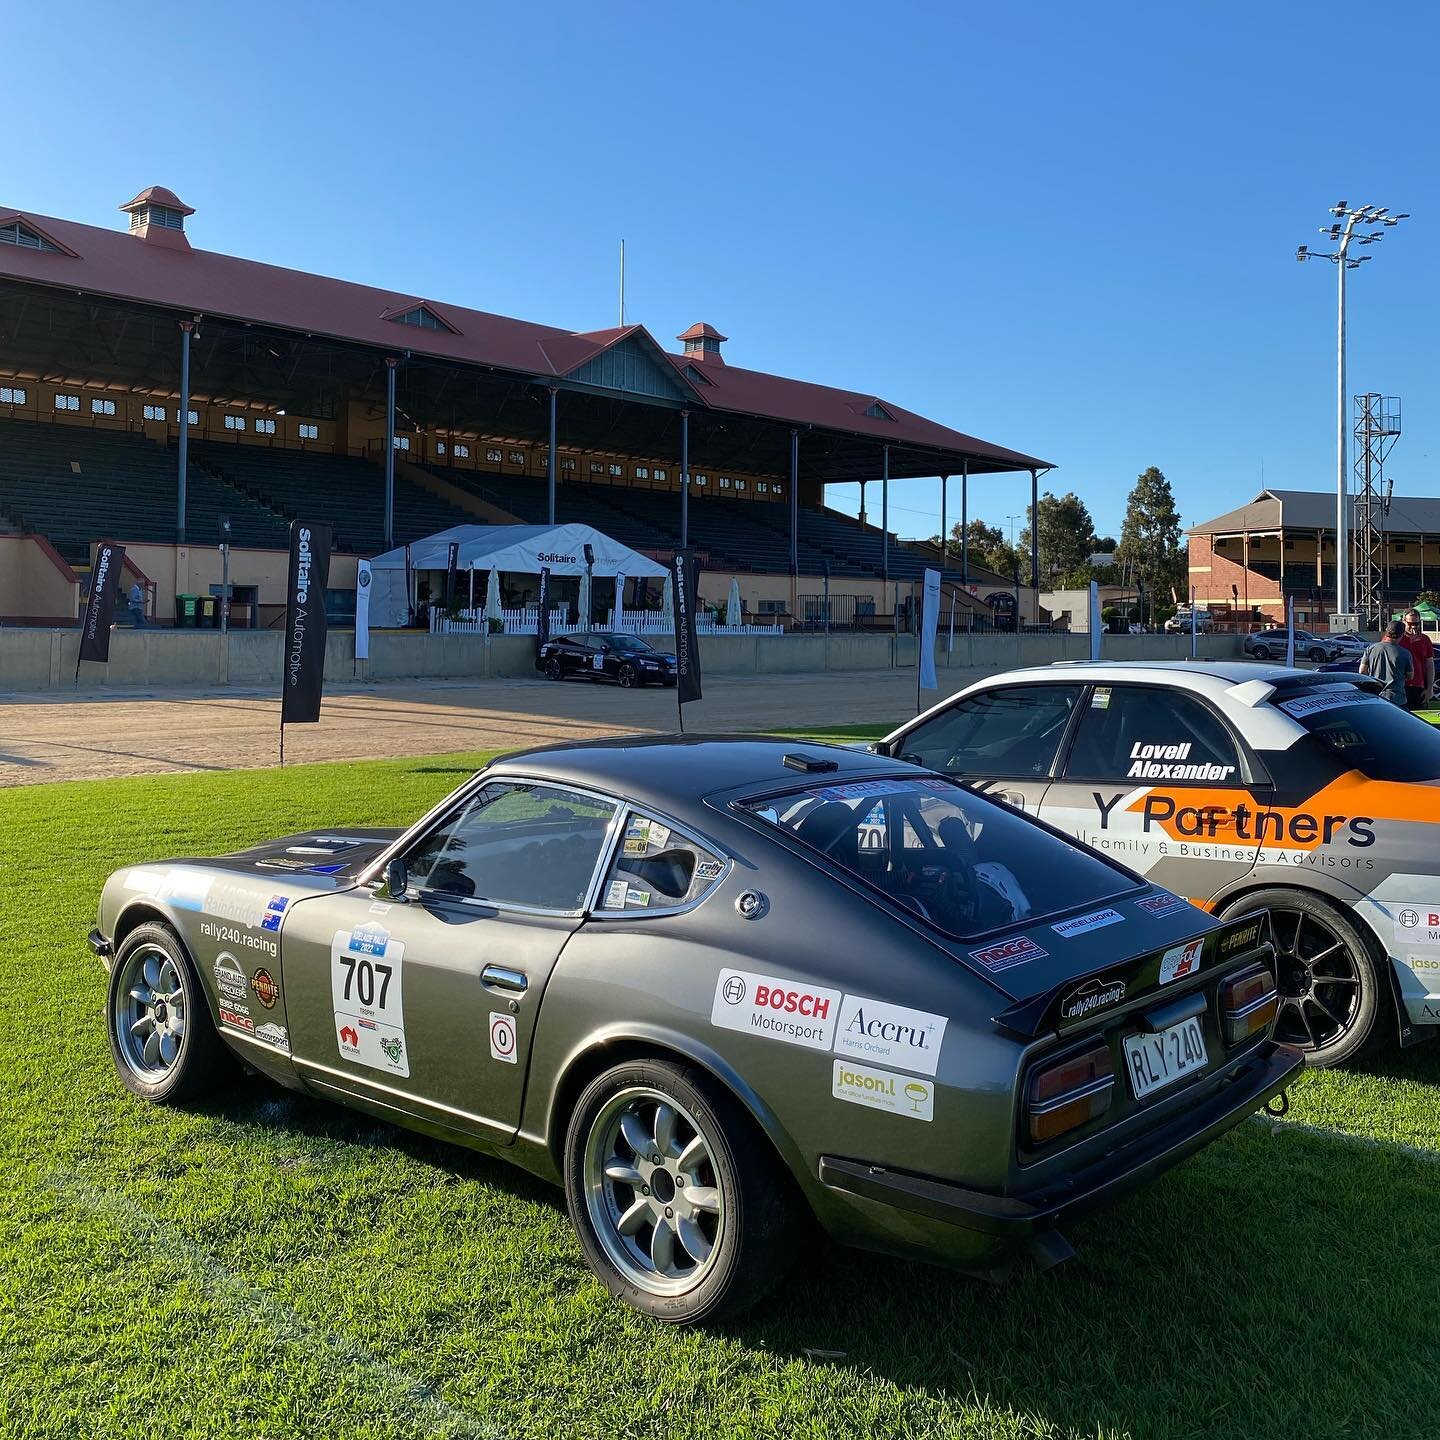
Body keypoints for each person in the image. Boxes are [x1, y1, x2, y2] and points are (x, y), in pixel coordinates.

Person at [1359, 619, 1413, 706]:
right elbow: (1410, 676)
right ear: (1401, 635)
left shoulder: (1371, 649)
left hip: (1375, 696)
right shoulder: (1405, 653)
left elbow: (1362, 671)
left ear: (1386, 632)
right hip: (1397, 698)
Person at [1398, 609, 1435, 712]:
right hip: (1400, 686)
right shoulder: (1397, 638)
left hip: (1419, 686)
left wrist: (1429, 688)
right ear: (1404, 622)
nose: (1414, 626)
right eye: (1410, 623)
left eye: (1416, 623)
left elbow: (1430, 664)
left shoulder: (1424, 639)